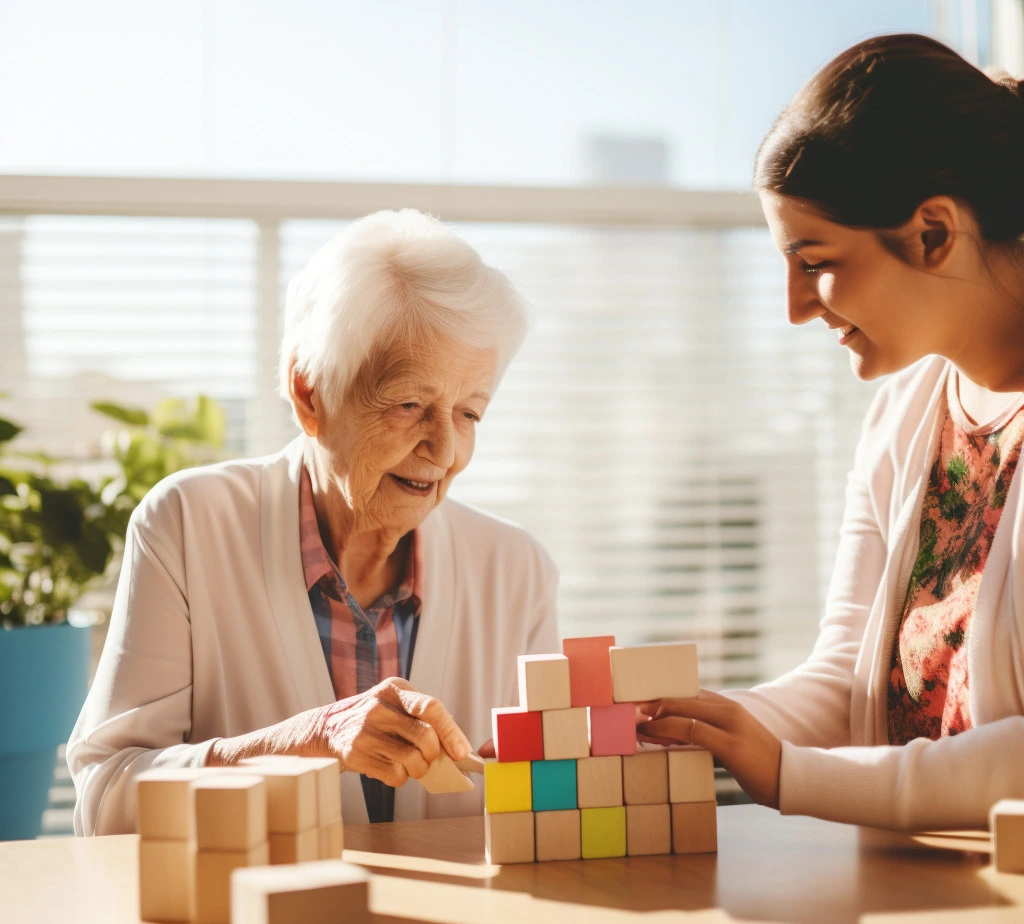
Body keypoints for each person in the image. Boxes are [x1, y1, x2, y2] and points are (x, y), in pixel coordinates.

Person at [640, 34, 1024, 833]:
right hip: (913, 897)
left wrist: (791, 776)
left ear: (932, 233)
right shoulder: (904, 414)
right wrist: (687, 728)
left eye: (813, 260)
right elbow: (843, 681)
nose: (795, 306)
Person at [68, 209, 558, 834]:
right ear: (309, 394)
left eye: (468, 414)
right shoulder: (189, 525)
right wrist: (304, 742)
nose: (443, 450)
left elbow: (551, 813)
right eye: (410, 405)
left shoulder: (516, 570)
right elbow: (104, 805)